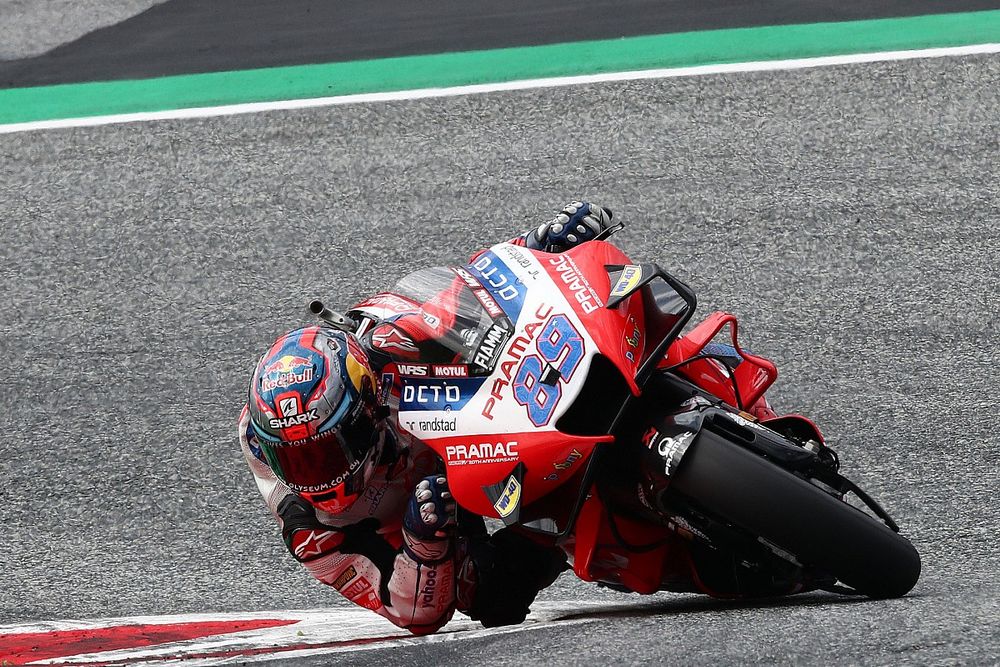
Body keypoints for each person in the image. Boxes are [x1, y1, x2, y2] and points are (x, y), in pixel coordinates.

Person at [238, 202, 614, 635]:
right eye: (299, 463)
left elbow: (464, 298)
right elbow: (412, 614)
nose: (319, 478)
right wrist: (423, 547)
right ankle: (567, 520)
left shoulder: (382, 351)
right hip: (418, 508)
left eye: (326, 454)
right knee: (492, 597)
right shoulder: (311, 527)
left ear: (364, 411)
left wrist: (539, 246)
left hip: (447, 425)